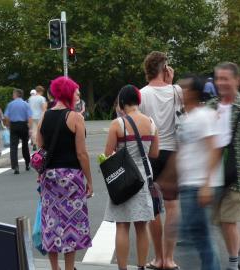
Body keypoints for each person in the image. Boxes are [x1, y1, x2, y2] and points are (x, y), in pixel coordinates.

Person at [36, 76, 93, 270]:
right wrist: (90, 181)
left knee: (51, 221)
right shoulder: (76, 117)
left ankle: (54, 267)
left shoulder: (45, 116)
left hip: (49, 176)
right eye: (76, 91)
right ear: (68, 92)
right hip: (71, 177)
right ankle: (69, 268)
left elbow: (40, 146)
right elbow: (81, 153)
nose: (78, 95)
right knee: (72, 223)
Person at [104, 85, 159, 270]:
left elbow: (107, 154)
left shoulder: (117, 124)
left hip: (123, 179)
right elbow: (155, 153)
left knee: (122, 226)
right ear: (138, 101)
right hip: (143, 177)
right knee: (142, 226)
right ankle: (142, 266)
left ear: (121, 103)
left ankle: (122, 268)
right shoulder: (151, 123)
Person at [207, 62, 240, 270]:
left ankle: (233, 264)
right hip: (213, 174)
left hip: (238, 174)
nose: (221, 83)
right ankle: (239, 252)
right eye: (218, 78)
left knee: (228, 220)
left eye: (225, 78)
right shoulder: (210, 106)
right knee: (221, 221)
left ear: (237, 80)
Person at [139, 51, 180, 270]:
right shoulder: (177, 91)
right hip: (173, 153)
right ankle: (170, 259)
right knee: (173, 206)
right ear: (165, 69)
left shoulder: (142, 94)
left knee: (154, 208)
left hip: (150, 154)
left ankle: (158, 258)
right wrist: (171, 84)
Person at [176, 75, 221, 270]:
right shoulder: (187, 117)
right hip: (188, 185)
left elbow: (214, 149)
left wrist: (206, 184)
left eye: (183, 88)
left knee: (198, 237)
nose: (180, 92)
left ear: (193, 92)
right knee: (194, 236)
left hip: (199, 185)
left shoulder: (205, 116)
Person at [4, 89, 32, 174]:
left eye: (13, 94)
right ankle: (27, 163)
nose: (13, 95)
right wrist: (29, 128)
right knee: (25, 145)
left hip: (14, 125)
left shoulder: (10, 104)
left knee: (13, 146)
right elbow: (30, 117)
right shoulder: (26, 104)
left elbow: (6, 117)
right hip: (23, 125)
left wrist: (8, 125)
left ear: (16, 94)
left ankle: (15, 166)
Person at [28, 85, 47, 151]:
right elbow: (44, 108)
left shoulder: (30, 98)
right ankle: (41, 143)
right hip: (40, 116)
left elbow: (29, 108)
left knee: (34, 131)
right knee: (41, 130)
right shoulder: (42, 98)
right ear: (41, 91)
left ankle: (34, 144)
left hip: (32, 116)